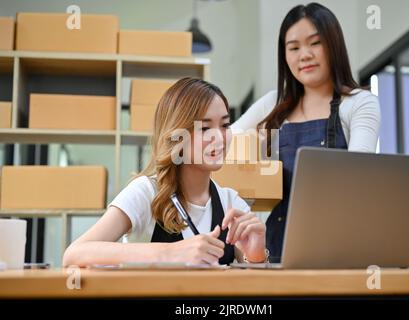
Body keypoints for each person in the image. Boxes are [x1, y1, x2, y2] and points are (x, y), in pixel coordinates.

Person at [63, 78, 268, 267]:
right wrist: (169, 252)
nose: (220, 137)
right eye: (205, 128)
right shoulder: (146, 192)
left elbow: (258, 288)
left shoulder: (231, 202)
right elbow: (74, 254)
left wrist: (257, 254)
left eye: (224, 125)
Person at [231, 3, 381, 262]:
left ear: (334, 45)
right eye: (294, 48)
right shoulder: (273, 103)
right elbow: (226, 140)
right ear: (285, 55)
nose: (305, 55)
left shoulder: (359, 103)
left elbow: (361, 175)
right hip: (280, 246)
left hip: (342, 246)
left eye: (315, 43)